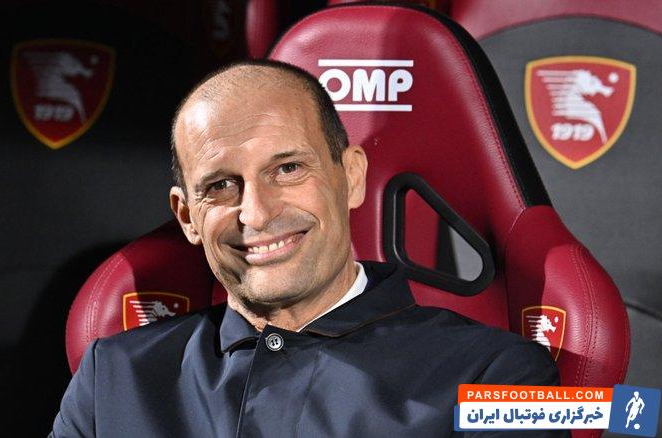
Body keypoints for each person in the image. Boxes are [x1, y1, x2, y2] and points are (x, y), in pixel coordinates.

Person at [50, 60, 566, 437]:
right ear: (187, 216)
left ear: (352, 176)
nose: (256, 213)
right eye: (221, 186)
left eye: (288, 169)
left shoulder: (504, 378)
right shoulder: (111, 379)